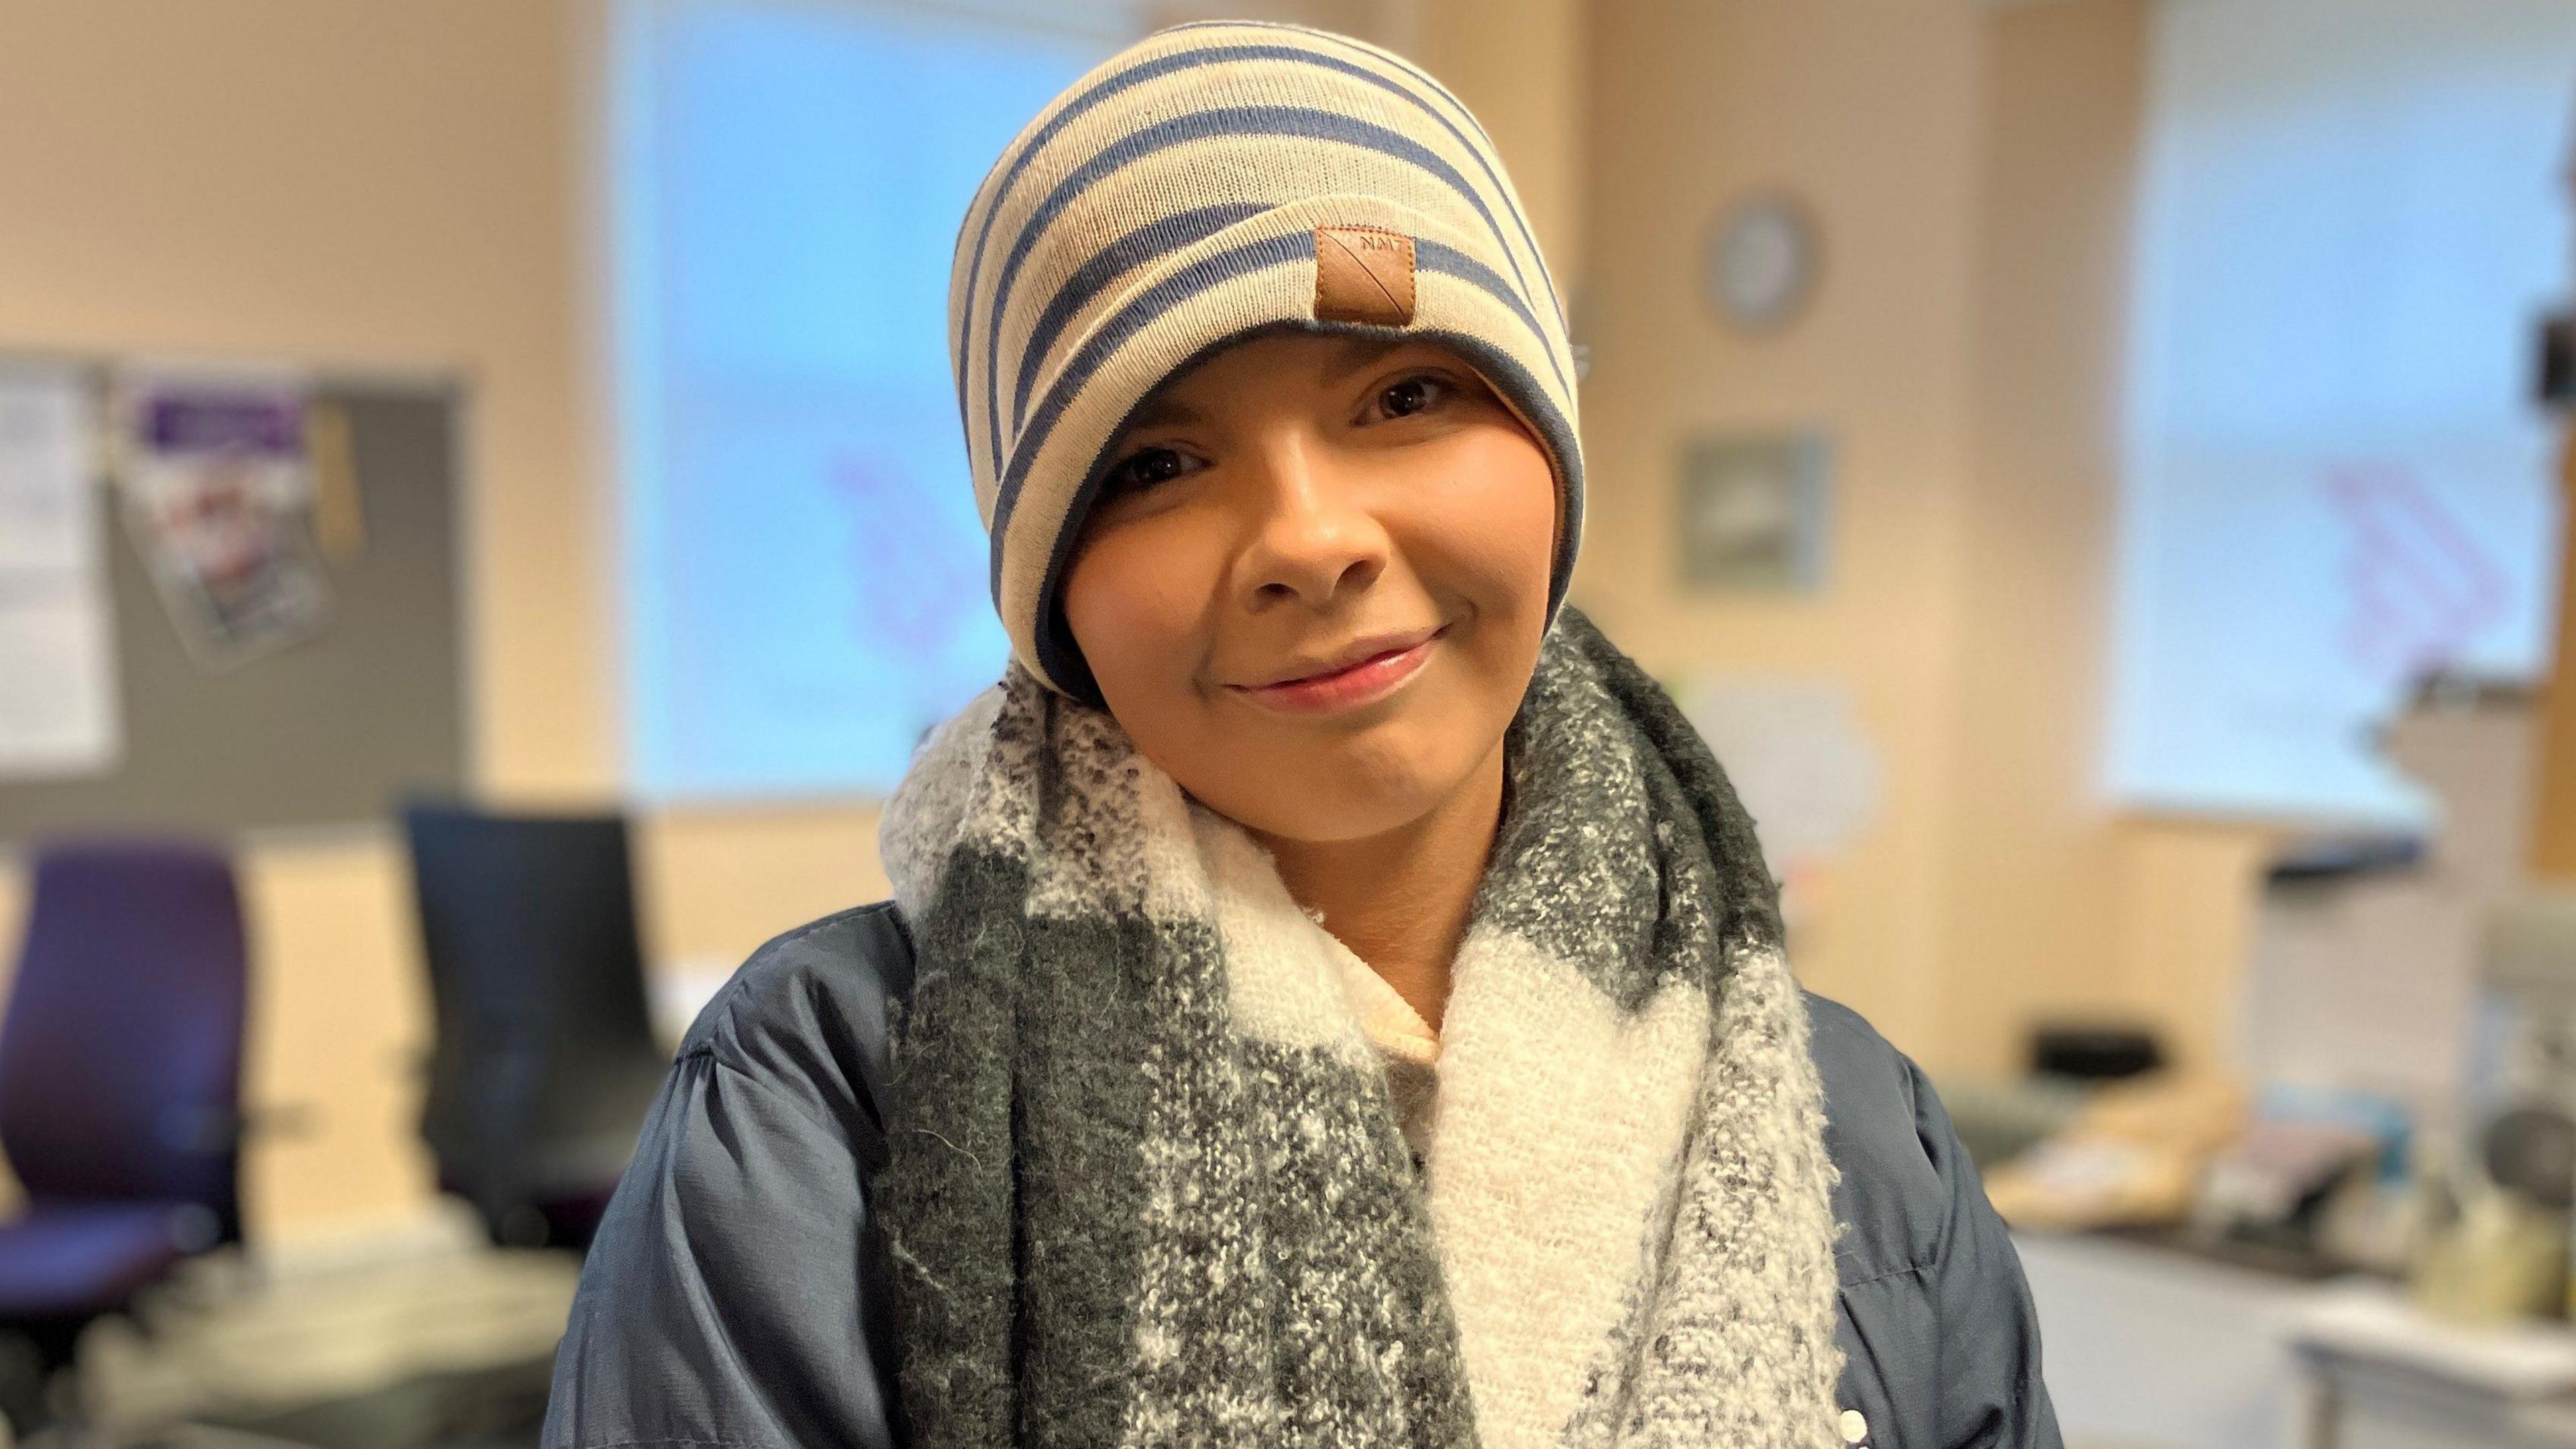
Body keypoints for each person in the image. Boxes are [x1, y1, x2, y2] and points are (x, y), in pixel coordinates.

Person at [543, 19, 2059, 1449]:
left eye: (1405, 393)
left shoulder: (1852, 1124)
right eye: (1154, 462)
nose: (1309, 538)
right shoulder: (827, 1099)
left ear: (1550, 452)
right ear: (1054, 589)